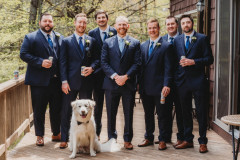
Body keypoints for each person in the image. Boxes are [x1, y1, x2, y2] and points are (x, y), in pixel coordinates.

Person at [20, 13, 63, 146]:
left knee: (56, 109)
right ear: (40, 22)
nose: (48, 23)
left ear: (53, 23)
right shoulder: (31, 37)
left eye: (50, 21)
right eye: (45, 21)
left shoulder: (59, 37)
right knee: (39, 110)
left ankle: (56, 133)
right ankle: (39, 135)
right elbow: (24, 54)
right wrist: (40, 62)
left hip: (56, 81)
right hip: (39, 82)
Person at [173, 14, 213, 153]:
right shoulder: (177, 40)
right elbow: (174, 61)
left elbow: (209, 59)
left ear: (192, 23)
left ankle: (203, 142)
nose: (185, 25)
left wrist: (194, 61)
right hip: (182, 81)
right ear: (180, 25)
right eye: (183, 23)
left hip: (198, 80)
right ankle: (188, 140)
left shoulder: (202, 38)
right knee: (185, 112)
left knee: (201, 112)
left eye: (188, 22)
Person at [59, 13, 99, 149]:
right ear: (75, 23)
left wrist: (92, 68)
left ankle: (86, 140)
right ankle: (64, 138)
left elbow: (97, 59)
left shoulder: (91, 40)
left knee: (86, 113)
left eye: (84, 23)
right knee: (65, 110)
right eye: (80, 22)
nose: (82, 25)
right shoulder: (66, 41)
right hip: (70, 82)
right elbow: (63, 63)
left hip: (87, 82)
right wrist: (64, 81)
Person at [101, 16, 141, 150]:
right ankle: (112, 138)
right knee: (111, 113)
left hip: (128, 84)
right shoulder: (107, 42)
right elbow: (104, 62)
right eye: (120, 24)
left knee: (128, 113)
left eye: (124, 24)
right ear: (115, 26)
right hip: (111, 84)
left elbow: (137, 63)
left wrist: (126, 76)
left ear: (128, 26)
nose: (122, 26)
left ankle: (127, 139)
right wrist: (115, 76)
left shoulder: (135, 43)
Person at [137, 18, 174, 150]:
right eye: (150, 28)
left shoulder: (166, 46)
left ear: (159, 29)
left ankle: (163, 139)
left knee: (162, 114)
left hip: (160, 87)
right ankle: (148, 137)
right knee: (148, 114)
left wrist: (167, 84)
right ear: (147, 30)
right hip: (145, 87)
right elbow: (140, 67)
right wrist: (138, 84)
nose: (152, 30)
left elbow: (168, 68)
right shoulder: (143, 46)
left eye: (154, 27)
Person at [88, 10, 117, 139]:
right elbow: (91, 55)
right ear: (96, 20)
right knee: (98, 106)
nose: (101, 20)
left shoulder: (115, 31)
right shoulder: (91, 34)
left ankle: (112, 135)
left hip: (111, 74)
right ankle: (97, 133)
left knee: (112, 106)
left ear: (107, 18)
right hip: (97, 75)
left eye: (103, 17)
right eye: (98, 18)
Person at [162, 16, 184, 147]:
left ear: (177, 25)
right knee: (165, 111)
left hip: (181, 82)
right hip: (165, 82)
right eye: (168, 24)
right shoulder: (162, 40)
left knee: (180, 111)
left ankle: (181, 137)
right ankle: (165, 137)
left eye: (172, 24)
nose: (170, 26)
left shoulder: (182, 39)